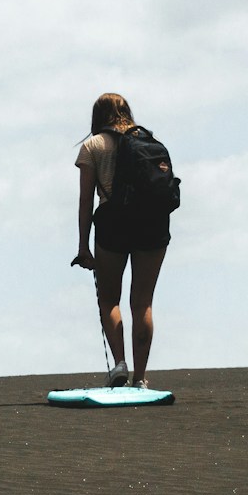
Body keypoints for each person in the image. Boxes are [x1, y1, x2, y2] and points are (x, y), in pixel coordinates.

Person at [72, 93, 168, 388]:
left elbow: (86, 200)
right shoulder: (149, 142)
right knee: (143, 303)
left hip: (114, 223)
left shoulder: (93, 145)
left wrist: (83, 246)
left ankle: (120, 365)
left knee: (109, 299)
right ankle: (140, 379)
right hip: (152, 222)